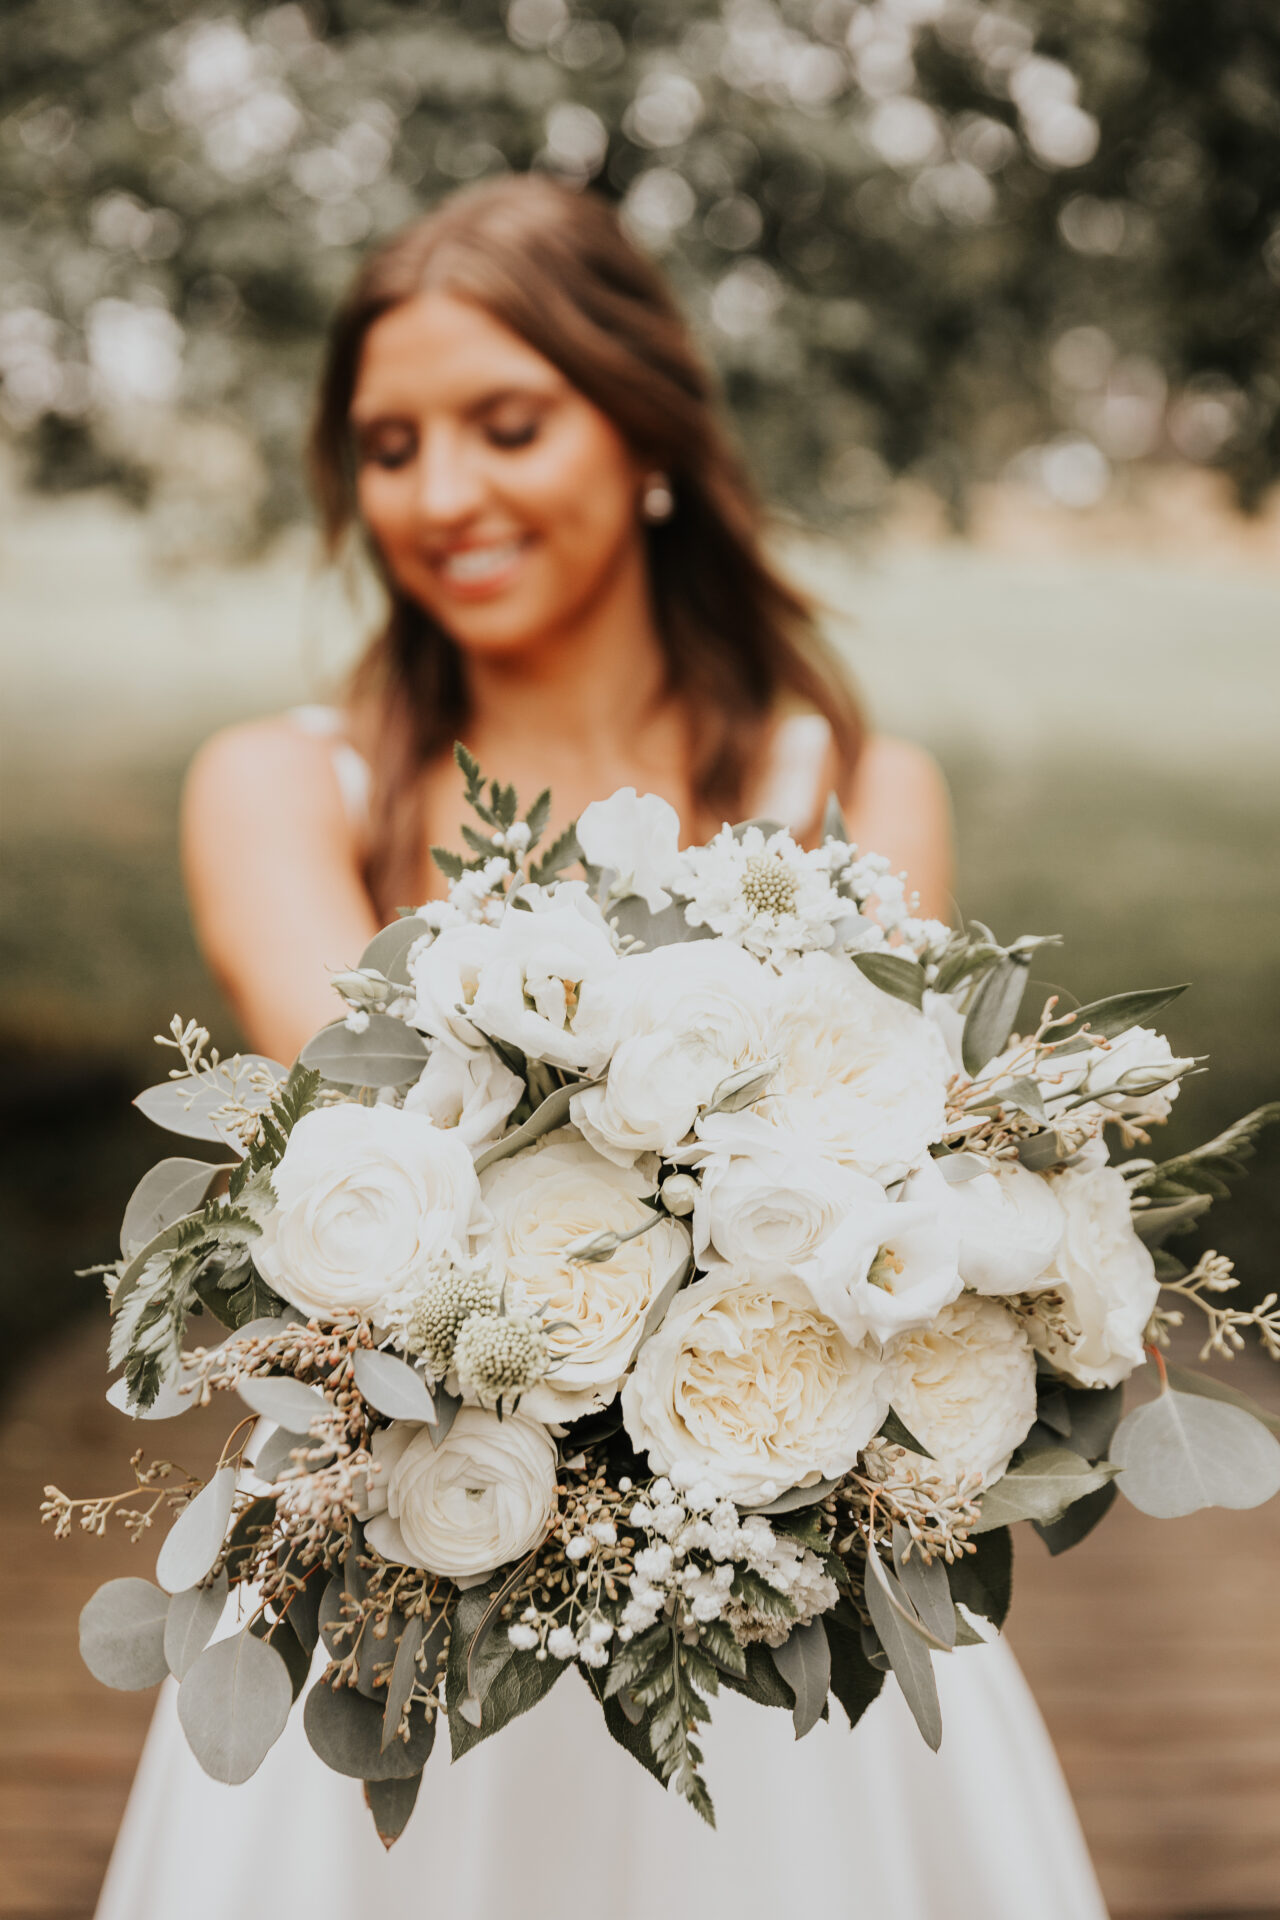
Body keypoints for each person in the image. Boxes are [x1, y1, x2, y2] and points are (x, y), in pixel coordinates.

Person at [96, 175, 1106, 1920]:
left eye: (505, 424)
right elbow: (368, 1160)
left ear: (643, 434)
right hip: (388, 1601)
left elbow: (896, 1219)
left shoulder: (853, 794)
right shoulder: (283, 790)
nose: (444, 495)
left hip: (769, 1623)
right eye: (391, 446)